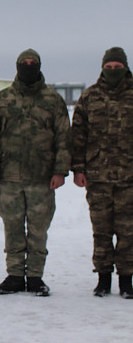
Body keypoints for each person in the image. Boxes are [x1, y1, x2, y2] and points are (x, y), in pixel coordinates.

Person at [0, 49, 71, 297]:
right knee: (12, 226)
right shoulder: (3, 99)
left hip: (42, 178)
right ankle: (13, 275)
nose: (29, 66)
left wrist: (60, 171)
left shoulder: (52, 100)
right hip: (10, 176)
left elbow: (64, 138)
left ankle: (35, 276)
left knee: (38, 228)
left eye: (33, 64)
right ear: (18, 66)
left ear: (40, 66)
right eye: (25, 63)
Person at [72, 46, 133, 298]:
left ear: (125, 67)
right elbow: (77, 135)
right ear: (102, 68)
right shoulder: (90, 97)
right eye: (109, 68)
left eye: (117, 68)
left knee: (129, 231)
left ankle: (127, 281)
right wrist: (78, 169)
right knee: (101, 231)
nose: (113, 71)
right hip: (97, 176)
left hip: (130, 177)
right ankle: (104, 278)